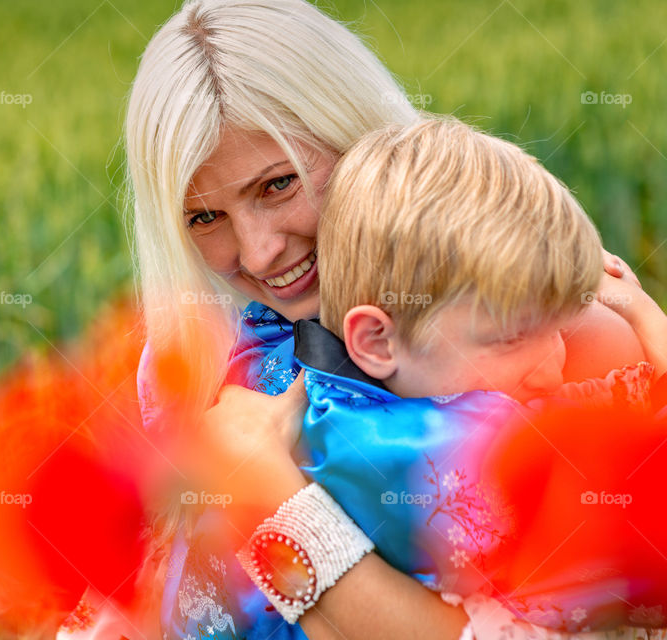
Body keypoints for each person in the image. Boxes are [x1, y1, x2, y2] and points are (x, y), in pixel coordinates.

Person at [125, 0, 654, 638]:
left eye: (279, 184)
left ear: (352, 132)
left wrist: (276, 501)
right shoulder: (206, 353)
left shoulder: (549, 339)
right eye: (205, 218)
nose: (260, 250)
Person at [272, 117, 664, 634]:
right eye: (509, 338)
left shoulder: (359, 408)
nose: (553, 369)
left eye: (559, 330)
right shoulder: (434, 453)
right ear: (375, 340)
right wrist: (640, 312)